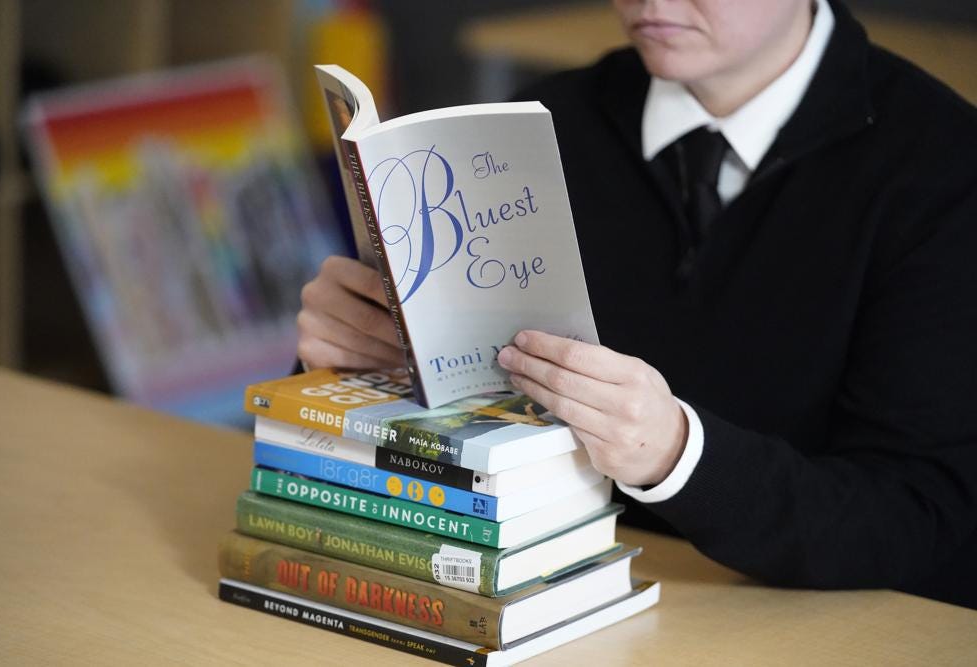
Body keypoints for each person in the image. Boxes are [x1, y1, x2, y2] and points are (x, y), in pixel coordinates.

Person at [297, 0, 977, 609]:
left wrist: (678, 456)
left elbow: (920, 517)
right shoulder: (539, 130)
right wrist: (350, 362)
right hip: (548, 599)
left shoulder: (942, 166)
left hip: (805, 623)